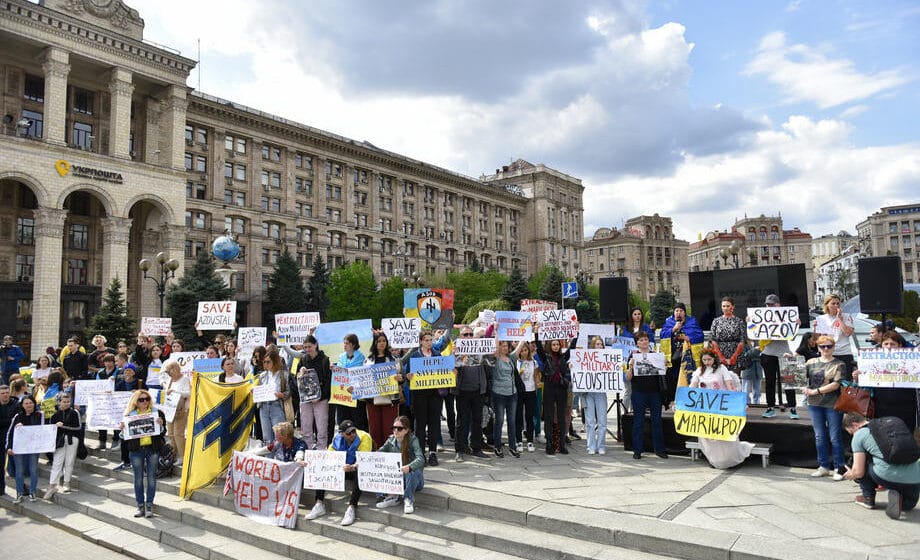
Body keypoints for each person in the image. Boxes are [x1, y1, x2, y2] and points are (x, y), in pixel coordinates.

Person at [842, 412, 920, 519]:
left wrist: (851, 474)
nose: (852, 435)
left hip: (887, 476)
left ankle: (868, 498)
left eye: (851, 432)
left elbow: (858, 472)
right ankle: (902, 500)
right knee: (908, 506)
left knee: (864, 461)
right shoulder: (892, 426)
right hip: (915, 478)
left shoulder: (860, 434)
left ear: (855, 425)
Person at [688, 350, 755, 468]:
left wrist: (739, 402)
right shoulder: (699, 371)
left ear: (714, 359)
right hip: (706, 407)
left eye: (709, 359)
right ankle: (714, 459)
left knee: (723, 433)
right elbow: (692, 387)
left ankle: (729, 459)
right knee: (708, 434)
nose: (707, 362)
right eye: (704, 360)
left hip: (721, 405)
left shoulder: (722, 368)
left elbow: (730, 385)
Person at [304, 420, 373, 526]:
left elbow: (364, 460)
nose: (352, 434)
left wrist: (353, 467)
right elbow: (329, 454)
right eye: (348, 433)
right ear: (341, 433)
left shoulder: (364, 437)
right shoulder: (337, 438)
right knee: (321, 469)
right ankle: (319, 503)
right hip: (343, 468)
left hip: (357, 467)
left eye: (353, 431)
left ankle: (352, 507)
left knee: (360, 472)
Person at [804, 335, 850, 480]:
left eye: (829, 346)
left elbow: (836, 384)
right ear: (817, 347)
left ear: (834, 347)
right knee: (819, 436)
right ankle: (823, 466)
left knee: (835, 437)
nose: (825, 349)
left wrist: (815, 391)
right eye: (822, 346)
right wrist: (790, 360)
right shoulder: (810, 362)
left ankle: (839, 467)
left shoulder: (839, 364)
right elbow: (797, 373)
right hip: (814, 404)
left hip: (833, 404)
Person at [853, 330, 918, 433]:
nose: (889, 346)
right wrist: (857, 378)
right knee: (884, 437)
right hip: (881, 404)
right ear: (881, 345)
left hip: (905, 405)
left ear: (900, 345)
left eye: (892, 344)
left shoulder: (913, 360)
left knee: (905, 436)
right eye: (886, 344)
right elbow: (864, 384)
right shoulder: (872, 359)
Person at [402, 330, 450, 465]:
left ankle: (433, 453)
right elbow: (407, 376)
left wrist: (451, 372)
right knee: (420, 425)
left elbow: (444, 373)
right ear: (421, 341)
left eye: (431, 340)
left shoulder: (437, 355)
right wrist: (408, 376)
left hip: (435, 395)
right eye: (426, 340)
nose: (429, 343)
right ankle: (421, 454)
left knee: (434, 424)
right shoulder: (415, 356)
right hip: (419, 395)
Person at [119, 389, 166, 518]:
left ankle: (149, 505)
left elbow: (162, 432)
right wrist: (122, 429)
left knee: (151, 478)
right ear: (136, 401)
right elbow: (123, 436)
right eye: (141, 399)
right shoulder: (129, 415)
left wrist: (161, 425)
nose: (145, 402)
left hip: (152, 449)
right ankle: (140, 506)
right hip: (136, 450)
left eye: (147, 399)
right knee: (138, 479)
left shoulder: (157, 413)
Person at [758, 295, 801, 419]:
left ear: (779, 304)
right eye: (768, 304)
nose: (769, 306)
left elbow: (791, 337)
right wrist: (751, 321)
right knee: (769, 382)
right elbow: (754, 332)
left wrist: (796, 325)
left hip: (785, 354)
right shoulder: (762, 317)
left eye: (772, 304)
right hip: (768, 353)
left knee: (789, 382)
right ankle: (770, 407)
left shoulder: (786, 316)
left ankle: (793, 409)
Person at [627, 331, 667, 460]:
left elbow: (662, 373)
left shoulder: (656, 355)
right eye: (641, 340)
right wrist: (630, 367)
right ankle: (637, 450)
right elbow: (628, 378)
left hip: (654, 392)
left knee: (657, 421)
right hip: (639, 392)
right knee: (638, 421)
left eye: (646, 339)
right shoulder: (633, 356)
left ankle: (659, 449)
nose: (644, 342)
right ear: (637, 343)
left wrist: (664, 364)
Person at [453, 327, 489, 462]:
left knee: (477, 420)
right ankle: (460, 450)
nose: (468, 336)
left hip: (478, 390)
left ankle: (477, 448)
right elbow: (451, 367)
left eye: (470, 334)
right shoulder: (456, 349)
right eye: (465, 334)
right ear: (460, 336)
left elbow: (491, 354)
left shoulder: (479, 348)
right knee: (462, 421)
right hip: (462, 390)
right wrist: (456, 355)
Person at [376, 415, 425, 514]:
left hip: (415, 480)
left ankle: (408, 500)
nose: (396, 431)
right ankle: (391, 497)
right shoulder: (390, 440)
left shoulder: (413, 440)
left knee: (412, 471)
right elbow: (379, 452)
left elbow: (421, 458)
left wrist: (410, 466)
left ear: (406, 430)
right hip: (398, 479)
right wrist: (367, 460)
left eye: (399, 428)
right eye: (394, 428)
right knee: (379, 466)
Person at [534, 329, 572, 455]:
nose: (556, 346)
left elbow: (573, 347)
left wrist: (576, 333)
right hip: (550, 388)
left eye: (558, 344)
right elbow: (539, 347)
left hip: (561, 389)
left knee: (561, 417)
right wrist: (536, 333)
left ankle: (561, 444)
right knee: (549, 416)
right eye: (553, 344)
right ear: (550, 346)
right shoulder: (546, 358)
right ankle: (549, 443)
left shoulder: (564, 357)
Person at [659, 303, 704, 406]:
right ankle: (674, 402)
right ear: (674, 313)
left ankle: (689, 402)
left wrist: (688, 338)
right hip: (673, 359)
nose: (678, 313)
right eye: (676, 311)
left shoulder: (692, 322)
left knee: (688, 379)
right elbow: (662, 335)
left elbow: (699, 335)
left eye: (681, 311)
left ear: (684, 312)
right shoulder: (669, 322)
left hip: (688, 358)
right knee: (673, 380)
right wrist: (673, 329)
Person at [484, 340, 523, 458]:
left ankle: (512, 447)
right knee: (499, 420)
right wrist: (496, 331)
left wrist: (526, 331)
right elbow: (495, 347)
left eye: (506, 345)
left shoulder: (511, 358)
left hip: (512, 393)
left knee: (512, 421)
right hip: (499, 393)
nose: (505, 348)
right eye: (502, 346)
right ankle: (497, 446)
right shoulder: (495, 358)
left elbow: (519, 348)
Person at [364, 333, 403, 450]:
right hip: (373, 399)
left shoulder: (394, 360)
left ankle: (391, 454)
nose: (382, 343)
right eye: (379, 341)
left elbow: (402, 378)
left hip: (390, 399)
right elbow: (363, 379)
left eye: (384, 341)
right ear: (375, 343)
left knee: (389, 428)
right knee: (374, 429)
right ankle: (377, 454)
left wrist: (400, 379)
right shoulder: (367, 361)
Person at [296, 335, 332, 451]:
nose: (307, 349)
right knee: (306, 426)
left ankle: (321, 450)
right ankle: (308, 449)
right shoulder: (303, 359)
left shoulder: (325, 359)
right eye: (305, 347)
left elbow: (328, 381)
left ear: (315, 345)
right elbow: (296, 377)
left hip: (320, 398)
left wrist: (321, 397)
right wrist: (300, 371)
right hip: (306, 398)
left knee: (321, 427)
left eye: (309, 346)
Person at [6, 395, 43, 502]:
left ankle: (32, 492)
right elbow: (10, 432)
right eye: (26, 403)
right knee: (19, 471)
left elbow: (42, 431)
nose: (29, 405)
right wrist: (8, 447)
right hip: (19, 448)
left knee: (33, 470)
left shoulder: (39, 415)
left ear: (34, 404)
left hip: (33, 448)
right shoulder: (17, 416)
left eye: (31, 403)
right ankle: (19, 493)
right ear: (22, 405)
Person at [44, 392, 81, 498]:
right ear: (59, 402)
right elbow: (51, 430)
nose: (66, 404)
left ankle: (67, 482)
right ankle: (52, 485)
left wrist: (64, 426)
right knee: (57, 462)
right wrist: (55, 426)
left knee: (69, 462)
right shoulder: (54, 415)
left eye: (68, 401)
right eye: (64, 402)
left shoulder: (74, 412)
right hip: (59, 441)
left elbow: (78, 427)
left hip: (72, 439)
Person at [814, 294, 856, 377]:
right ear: (827, 305)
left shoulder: (847, 316)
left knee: (844, 380)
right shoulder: (822, 318)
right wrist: (815, 328)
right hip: (827, 353)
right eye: (833, 303)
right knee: (827, 380)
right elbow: (817, 339)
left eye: (838, 303)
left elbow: (848, 333)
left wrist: (839, 319)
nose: (836, 305)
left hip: (844, 352)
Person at [257, 349, 293, 443]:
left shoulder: (284, 375)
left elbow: (289, 391)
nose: (266, 364)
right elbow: (260, 390)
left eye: (268, 362)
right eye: (264, 362)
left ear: (275, 361)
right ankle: (269, 457)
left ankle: (279, 457)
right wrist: (256, 393)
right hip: (264, 407)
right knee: (267, 437)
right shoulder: (262, 376)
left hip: (277, 406)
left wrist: (282, 395)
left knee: (279, 436)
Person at [582, 336, 609, 455]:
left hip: (601, 392)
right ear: (592, 346)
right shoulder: (586, 358)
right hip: (588, 393)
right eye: (597, 344)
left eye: (601, 344)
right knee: (589, 421)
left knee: (602, 420)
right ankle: (591, 446)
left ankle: (601, 445)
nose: (599, 346)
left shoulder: (607, 359)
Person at [334, 334, 367, 429]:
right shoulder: (341, 357)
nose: (344, 345)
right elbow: (339, 373)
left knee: (358, 420)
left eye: (347, 343)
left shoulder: (361, 358)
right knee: (343, 420)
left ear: (353, 344)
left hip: (355, 394)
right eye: (344, 343)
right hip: (343, 394)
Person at [162, 359, 190, 467]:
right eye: (168, 371)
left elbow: (188, 393)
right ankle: (173, 454)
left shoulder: (184, 379)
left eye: (171, 370)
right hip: (169, 410)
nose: (169, 373)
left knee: (179, 434)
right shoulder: (169, 380)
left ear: (176, 369)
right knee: (171, 433)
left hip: (180, 410)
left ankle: (182, 456)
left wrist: (175, 392)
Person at [515, 340, 541, 453]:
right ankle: (519, 441)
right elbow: (513, 378)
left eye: (525, 350)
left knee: (529, 417)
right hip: (519, 392)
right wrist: (518, 374)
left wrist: (537, 383)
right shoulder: (516, 362)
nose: (524, 353)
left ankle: (530, 440)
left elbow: (536, 376)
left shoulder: (533, 362)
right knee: (518, 416)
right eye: (521, 351)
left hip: (530, 391)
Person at [709, 297, 746, 374]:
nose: (725, 308)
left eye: (728, 306)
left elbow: (742, 340)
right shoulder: (716, 321)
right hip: (720, 352)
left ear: (733, 307)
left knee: (735, 380)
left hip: (736, 353)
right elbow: (713, 340)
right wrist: (721, 357)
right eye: (723, 306)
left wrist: (734, 356)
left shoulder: (739, 321)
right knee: (720, 381)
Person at [0, 384, 18, 496]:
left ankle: (22, 489)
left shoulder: (16, 405)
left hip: (14, 439)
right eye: (2, 393)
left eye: (7, 392)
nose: (5, 395)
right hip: (0, 439)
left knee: (17, 466)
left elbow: (16, 420)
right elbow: (12, 421)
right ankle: (1, 488)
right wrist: (10, 421)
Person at [740, 341, 763, 405]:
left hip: (758, 369)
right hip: (748, 368)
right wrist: (755, 350)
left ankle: (757, 403)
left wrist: (753, 355)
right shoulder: (743, 343)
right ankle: (746, 403)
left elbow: (762, 354)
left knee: (757, 390)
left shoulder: (759, 342)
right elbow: (745, 355)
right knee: (746, 389)